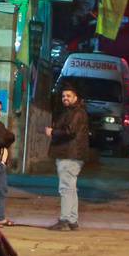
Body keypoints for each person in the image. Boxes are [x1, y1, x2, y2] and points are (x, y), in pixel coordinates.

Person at [45, 86, 86, 232]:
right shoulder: (73, 112)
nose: (65, 98)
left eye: (69, 96)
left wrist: (53, 132)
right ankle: (72, 220)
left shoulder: (77, 113)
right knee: (71, 189)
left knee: (66, 189)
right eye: (63, 96)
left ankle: (64, 220)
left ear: (76, 98)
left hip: (69, 155)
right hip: (71, 155)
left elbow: (70, 131)